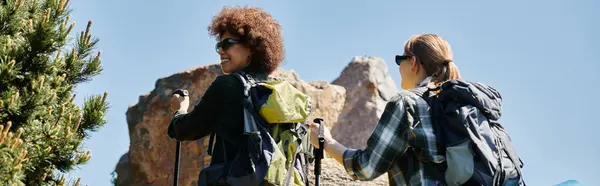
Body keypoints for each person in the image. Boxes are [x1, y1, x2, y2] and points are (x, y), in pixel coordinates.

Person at [308, 34, 524, 185]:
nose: (398, 67)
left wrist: (326, 142)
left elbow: (365, 167)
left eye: (399, 59)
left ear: (413, 63)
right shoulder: (469, 107)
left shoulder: (406, 104)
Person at [167, 6, 300, 186]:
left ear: (252, 45)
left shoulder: (229, 85)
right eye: (218, 45)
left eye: (227, 43)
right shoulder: (280, 92)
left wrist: (179, 110)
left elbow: (186, 129)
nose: (220, 51)